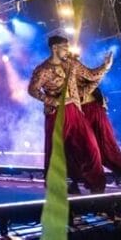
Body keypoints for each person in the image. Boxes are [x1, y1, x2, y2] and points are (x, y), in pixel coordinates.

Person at [27, 35, 111, 194]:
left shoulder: (71, 63)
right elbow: (32, 90)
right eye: (64, 47)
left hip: (75, 110)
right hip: (56, 114)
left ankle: (96, 184)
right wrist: (53, 101)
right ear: (54, 48)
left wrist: (105, 67)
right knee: (57, 150)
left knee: (90, 146)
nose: (67, 50)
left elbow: (91, 75)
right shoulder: (43, 70)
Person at [80, 86, 121, 188]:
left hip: (91, 111)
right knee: (88, 147)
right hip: (87, 110)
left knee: (103, 145)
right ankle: (91, 179)